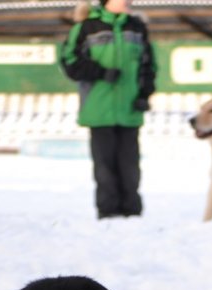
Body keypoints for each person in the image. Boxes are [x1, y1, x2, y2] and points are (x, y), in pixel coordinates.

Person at [61, 0, 156, 218]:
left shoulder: (137, 27)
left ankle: (132, 212)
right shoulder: (86, 27)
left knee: (130, 167)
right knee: (104, 168)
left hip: (129, 110)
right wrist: (100, 72)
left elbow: (148, 65)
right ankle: (108, 212)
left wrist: (144, 94)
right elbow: (69, 61)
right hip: (99, 110)